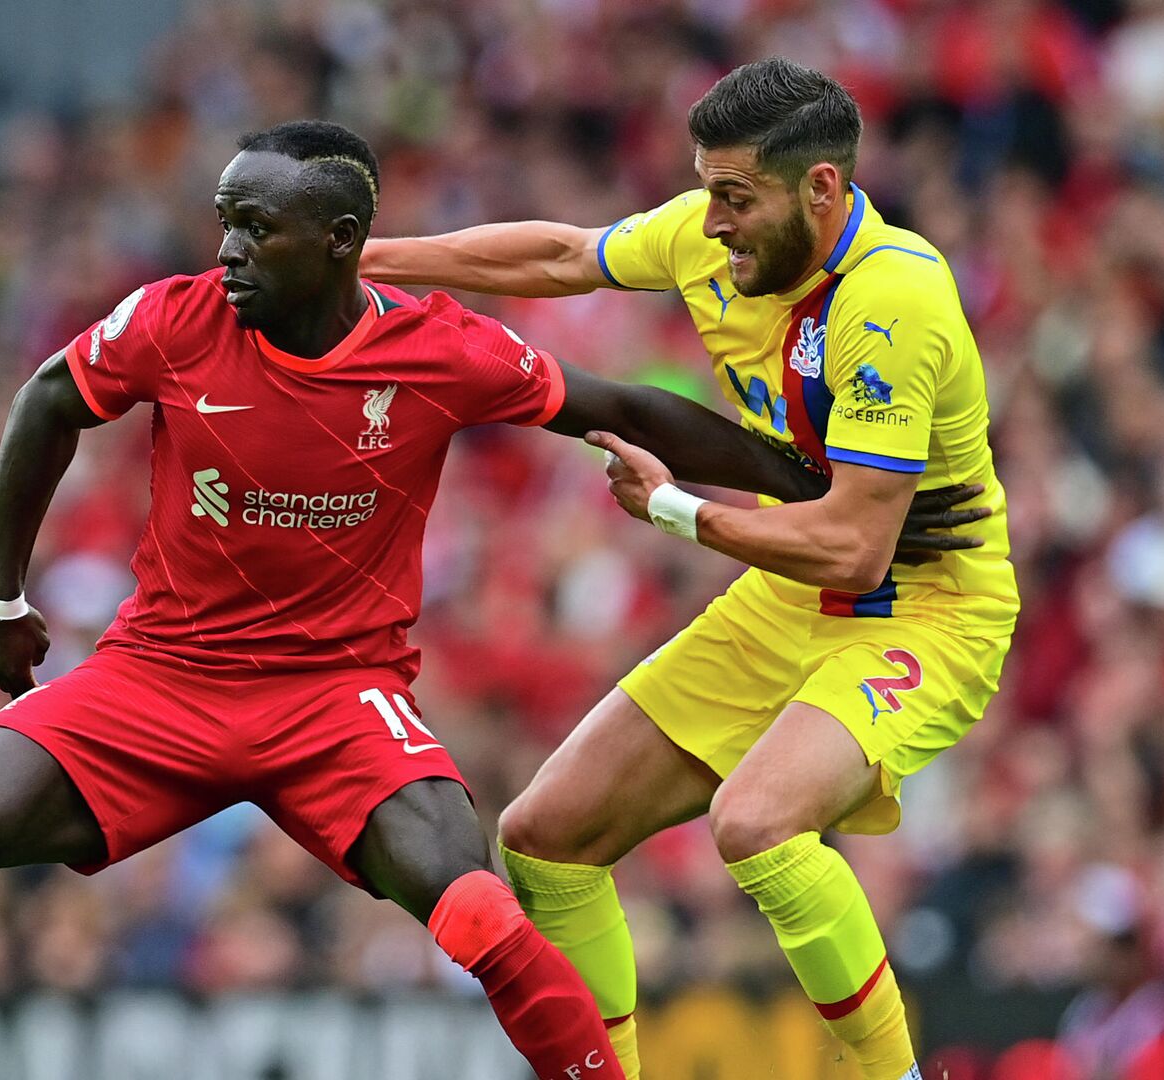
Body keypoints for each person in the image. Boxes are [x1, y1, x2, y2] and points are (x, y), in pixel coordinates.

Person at [0, 119, 977, 1080]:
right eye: (224, 223)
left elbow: (616, 401)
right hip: (158, 679)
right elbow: (45, 403)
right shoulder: (177, 317)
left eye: (257, 230)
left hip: (338, 702)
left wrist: (798, 478)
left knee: (483, 911)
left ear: (342, 244)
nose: (228, 252)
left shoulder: (440, 353)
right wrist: (0, 595)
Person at [360, 57, 1016, 1080]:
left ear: (822, 189)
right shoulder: (718, 234)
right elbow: (564, 255)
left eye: (733, 198)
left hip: (926, 610)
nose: (709, 223)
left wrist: (673, 509)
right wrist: (366, 259)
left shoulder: (893, 300)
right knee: (544, 836)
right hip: (791, 594)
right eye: (706, 190)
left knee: (755, 822)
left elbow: (855, 544)